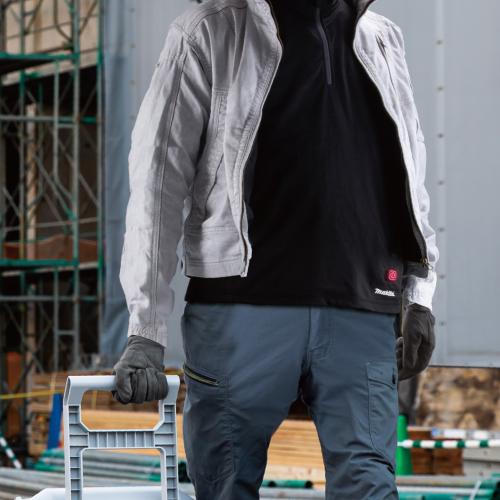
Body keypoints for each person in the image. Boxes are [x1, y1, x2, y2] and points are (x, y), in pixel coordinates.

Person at [112, 0, 439, 498]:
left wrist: (419, 295)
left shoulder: (381, 37)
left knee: (370, 486)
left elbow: (411, 169)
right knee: (225, 484)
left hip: (363, 309)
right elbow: (158, 181)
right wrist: (145, 327)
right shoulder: (208, 33)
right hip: (241, 309)